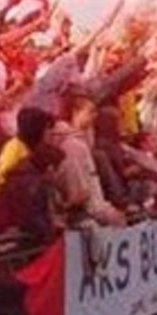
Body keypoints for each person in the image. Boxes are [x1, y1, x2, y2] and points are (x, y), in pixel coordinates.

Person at [48, 86, 126, 228]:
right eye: (90, 112)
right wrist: (108, 214)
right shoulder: (73, 146)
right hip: (86, 219)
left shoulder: (78, 142)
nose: (94, 116)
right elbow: (80, 193)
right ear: (76, 111)